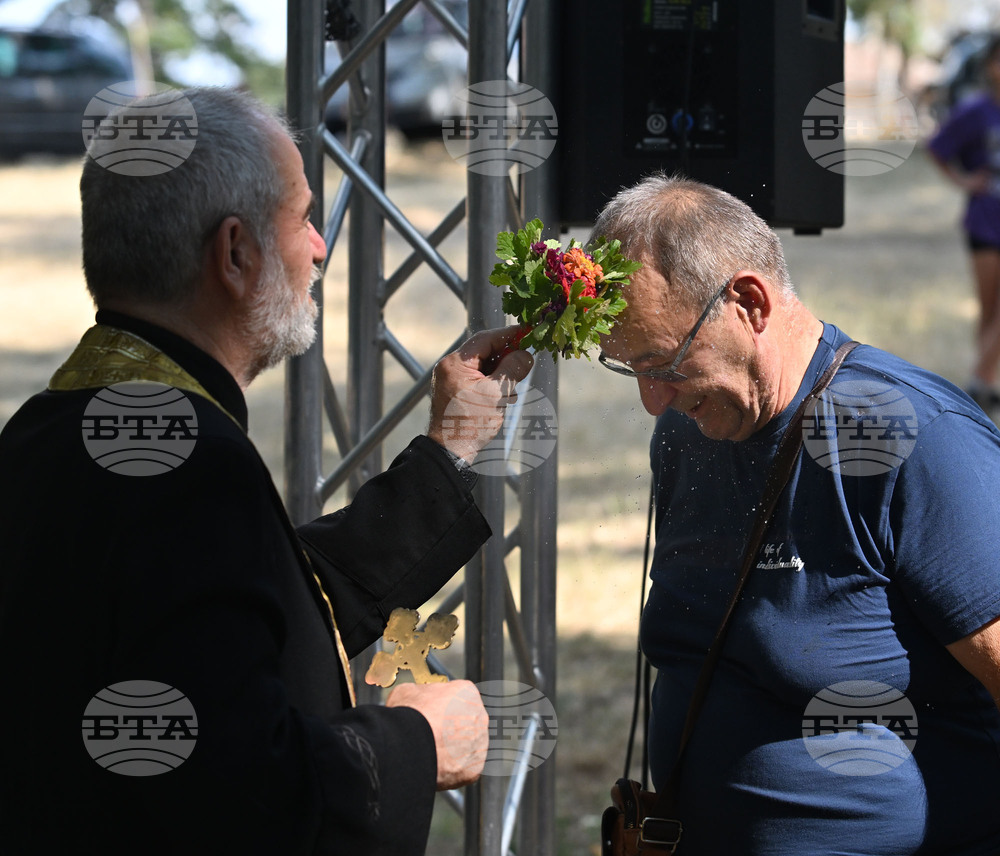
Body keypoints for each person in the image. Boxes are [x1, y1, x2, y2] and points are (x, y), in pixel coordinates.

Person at [0, 86, 533, 855]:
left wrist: (448, 450)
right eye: (303, 219)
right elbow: (236, 785)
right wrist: (417, 743)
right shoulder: (190, 472)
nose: (320, 246)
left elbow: (266, 605)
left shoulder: (49, 432)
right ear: (236, 253)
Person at [593, 174, 1000, 854]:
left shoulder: (916, 439)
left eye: (662, 363)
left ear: (748, 302)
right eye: (627, 367)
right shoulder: (687, 434)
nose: (651, 401)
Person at [928, 33, 1000, 411]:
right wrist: (965, 180)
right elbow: (936, 148)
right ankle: (985, 384)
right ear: (990, 65)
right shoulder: (976, 111)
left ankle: (979, 380)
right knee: (989, 310)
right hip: (986, 224)